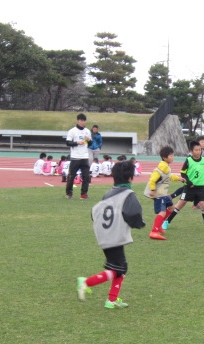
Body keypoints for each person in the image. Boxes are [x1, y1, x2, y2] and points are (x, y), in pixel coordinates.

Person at [76, 160, 146, 309]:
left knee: (118, 267)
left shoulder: (108, 193)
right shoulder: (128, 194)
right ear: (130, 177)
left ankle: (112, 300)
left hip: (104, 234)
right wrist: (139, 224)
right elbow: (133, 213)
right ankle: (86, 282)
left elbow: (97, 211)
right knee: (119, 269)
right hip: (114, 236)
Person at [162, 140, 204, 232]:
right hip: (189, 187)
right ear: (192, 151)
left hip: (200, 187)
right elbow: (183, 173)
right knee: (180, 205)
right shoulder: (188, 160)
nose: (198, 152)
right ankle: (167, 221)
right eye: (196, 150)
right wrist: (188, 182)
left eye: (199, 150)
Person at [145, 146, 185, 240]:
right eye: (171, 156)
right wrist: (152, 190)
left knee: (171, 208)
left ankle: (159, 226)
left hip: (163, 194)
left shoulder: (166, 167)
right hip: (158, 194)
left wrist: (178, 178)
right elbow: (152, 179)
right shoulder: (162, 167)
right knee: (162, 212)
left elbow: (169, 176)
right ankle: (154, 231)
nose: (173, 157)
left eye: (173, 155)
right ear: (164, 157)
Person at [65, 113, 91, 199]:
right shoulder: (72, 131)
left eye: (84, 120)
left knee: (86, 176)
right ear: (77, 121)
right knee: (71, 176)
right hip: (75, 157)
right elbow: (68, 142)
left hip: (85, 156)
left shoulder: (87, 131)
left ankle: (84, 194)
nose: (83, 122)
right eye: (81, 120)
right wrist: (76, 143)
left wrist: (89, 140)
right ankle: (69, 193)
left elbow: (90, 144)